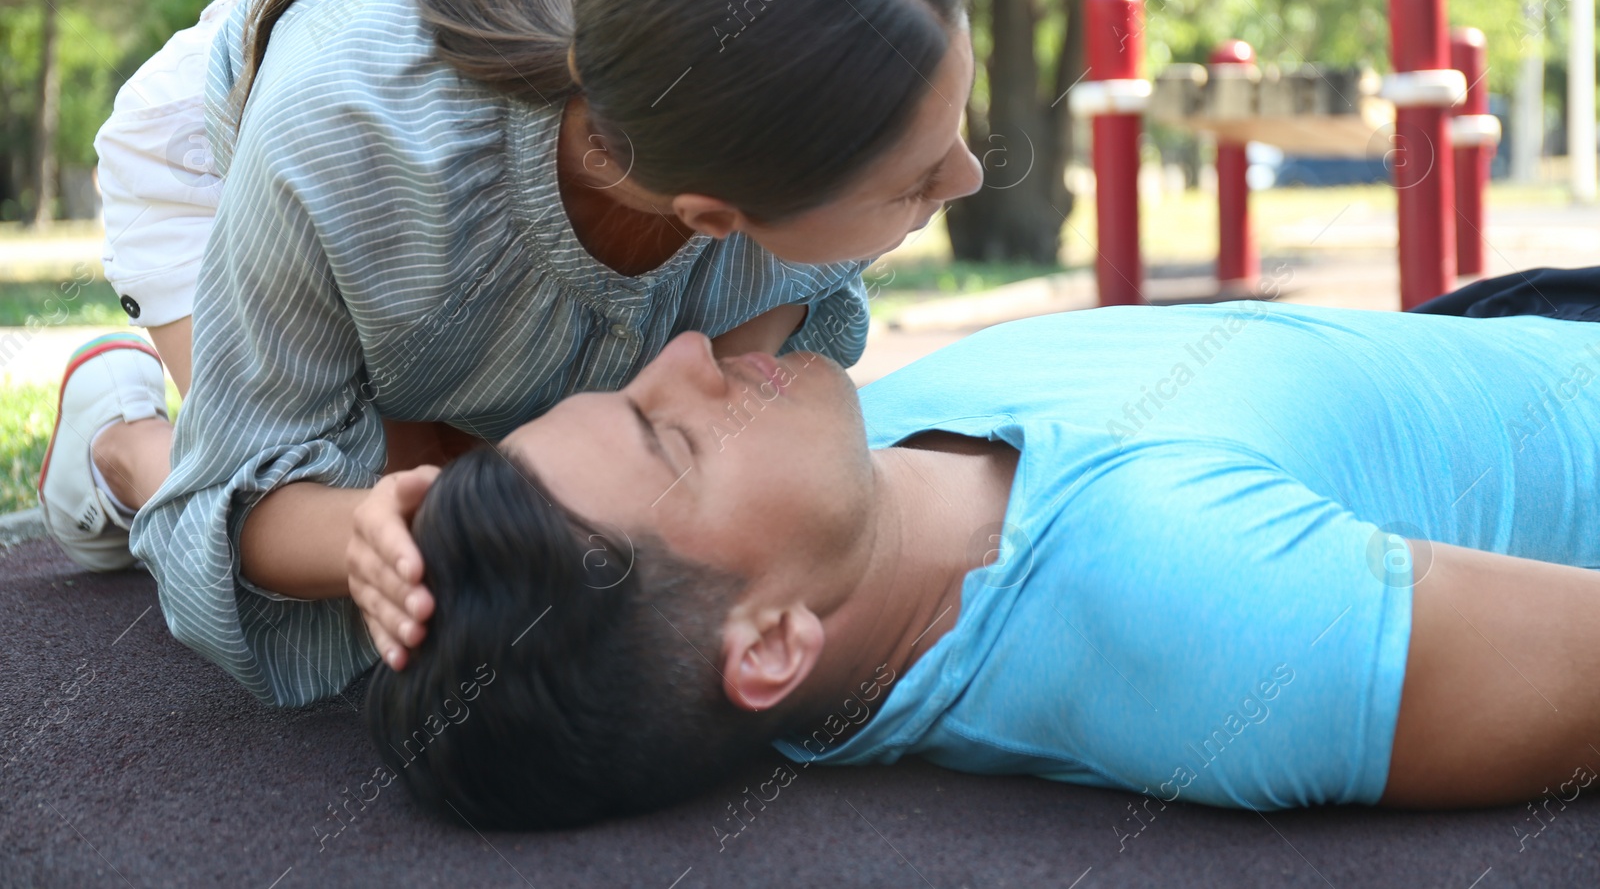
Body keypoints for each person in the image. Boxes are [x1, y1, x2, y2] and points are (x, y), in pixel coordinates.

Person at [36, 0, 981, 706]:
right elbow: (251, 490)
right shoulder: (347, 135)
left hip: (446, 234)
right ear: (713, 218)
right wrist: (375, 525)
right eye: (917, 182)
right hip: (234, 154)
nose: (969, 177)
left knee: (540, 533)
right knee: (424, 562)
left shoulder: (756, 168)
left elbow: (717, 425)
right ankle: (120, 445)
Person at [367, 299, 1600, 828]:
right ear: (772, 640)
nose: (687, 346)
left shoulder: (850, 469)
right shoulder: (1193, 604)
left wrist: (403, 526)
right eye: (670, 432)